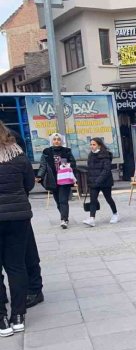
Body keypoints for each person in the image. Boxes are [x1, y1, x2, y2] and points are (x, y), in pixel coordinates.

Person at [0, 121, 35, 336]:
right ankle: (18, 315)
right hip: (17, 217)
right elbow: (29, 183)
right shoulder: (18, 156)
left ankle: (1, 318)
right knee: (16, 267)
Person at [36, 132, 76, 229]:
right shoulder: (47, 152)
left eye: (58, 139)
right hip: (52, 179)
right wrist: (39, 176)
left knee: (63, 200)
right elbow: (43, 165)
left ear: (61, 141)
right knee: (58, 201)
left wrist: (67, 165)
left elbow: (73, 163)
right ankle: (64, 216)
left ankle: (64, 219)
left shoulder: (66, 151)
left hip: (64, 179)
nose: (56, 141)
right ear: (52, 141)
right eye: (54, 139)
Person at [83, 137, 118, 227]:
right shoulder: (91, 155)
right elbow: (90, 169)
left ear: (99, 145)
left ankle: (115, 214)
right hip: (94, 182)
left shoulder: (105, 155)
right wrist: (90, 181)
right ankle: (92, 218)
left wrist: (98, 180)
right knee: (93, 200)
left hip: (105, 182)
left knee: (108, 198)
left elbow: (106, 170)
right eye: (91, 144)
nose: (92, 146)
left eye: (94, 144)